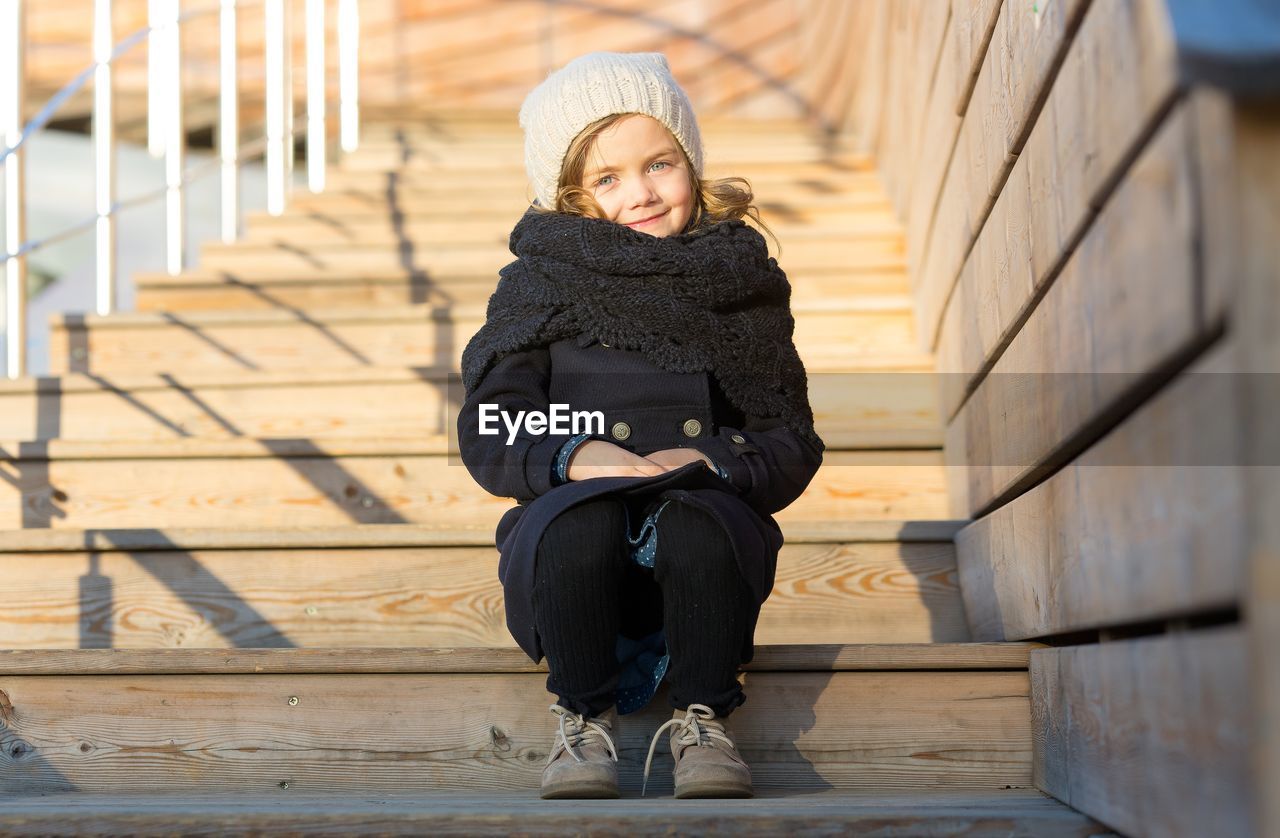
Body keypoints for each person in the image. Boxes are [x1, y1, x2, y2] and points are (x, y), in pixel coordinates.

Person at [457, 51, 824, 801]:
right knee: (574, 527)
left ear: (691, 161)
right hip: (575, 539)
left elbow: (788, 434)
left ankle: (702, 717)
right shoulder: (537, 289)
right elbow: (492, 422)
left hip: (698, 527)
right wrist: (571, 454)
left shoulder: (738, 284)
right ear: (571, 196)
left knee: (699, 524)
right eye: (608, 178)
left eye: (660, 164)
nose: (643, 194)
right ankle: (581, 716)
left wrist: (714, 457)